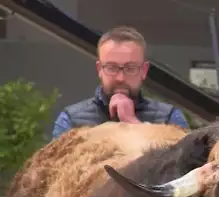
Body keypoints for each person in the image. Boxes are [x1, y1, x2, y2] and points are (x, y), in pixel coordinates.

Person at [51, 26, 189, 139]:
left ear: (144, 70)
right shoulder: (71, 119)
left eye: (130, 68)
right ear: (99, 69)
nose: (120, 78)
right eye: (111, 67)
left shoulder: (169, 117)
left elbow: (184, 167)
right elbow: (55, 170)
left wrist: (132, 122)